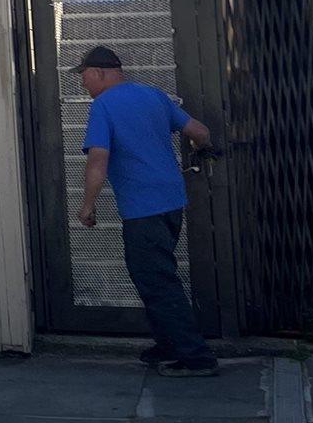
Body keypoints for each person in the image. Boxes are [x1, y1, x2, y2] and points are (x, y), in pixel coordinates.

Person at [72, 44, 218, 375]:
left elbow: (98, 160)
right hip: (172, 202)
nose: (83, 83)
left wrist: (87, 206)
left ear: (99, 73)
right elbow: (200, 132)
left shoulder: (103, 106)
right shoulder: (154, 95)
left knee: (158, 282)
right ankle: (168, 344)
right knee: (152, 276)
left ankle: (197, 358)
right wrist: (205, 149)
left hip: (143, 209)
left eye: (84, 76)